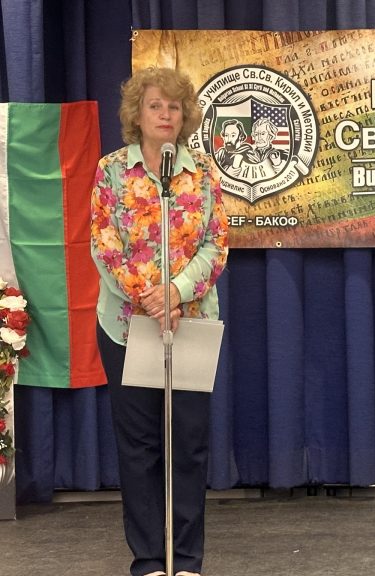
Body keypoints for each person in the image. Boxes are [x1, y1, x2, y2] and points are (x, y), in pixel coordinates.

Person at [90, 66, 228, 576]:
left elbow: (216, 244)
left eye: (174, 106)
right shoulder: (111, 170)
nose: (165, 114)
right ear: (137, 113)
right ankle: (149, 560)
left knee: (188, 444)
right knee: (140, 448)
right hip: (127, 327)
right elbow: (104, 243)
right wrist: (150, 298)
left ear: (185, 115)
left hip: (190, 324)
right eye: (155, 105)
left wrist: (176, 291)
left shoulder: (203, 172)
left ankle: (186, 560)